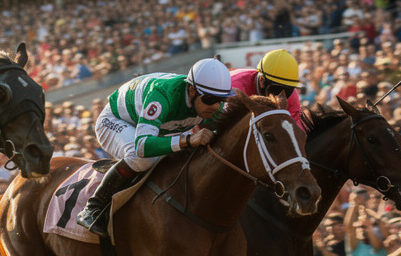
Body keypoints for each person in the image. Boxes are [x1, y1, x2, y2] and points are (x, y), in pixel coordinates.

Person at [74, 57, 232, 236]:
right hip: (116, 120)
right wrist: (188, 140)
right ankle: (93, 208)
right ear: (192, 90)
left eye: (221, 99)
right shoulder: (163, 95)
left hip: (157, 126)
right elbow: (142, 146)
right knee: (141, 158)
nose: (216, 106)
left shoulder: (213, 104)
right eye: (210, 99)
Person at [229, 49, 303, 128]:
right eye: (277, 88)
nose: (282, 96)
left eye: (288, 89)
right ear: (261, 81)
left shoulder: (292, 96)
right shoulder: (234, 87)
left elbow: (294, 130)